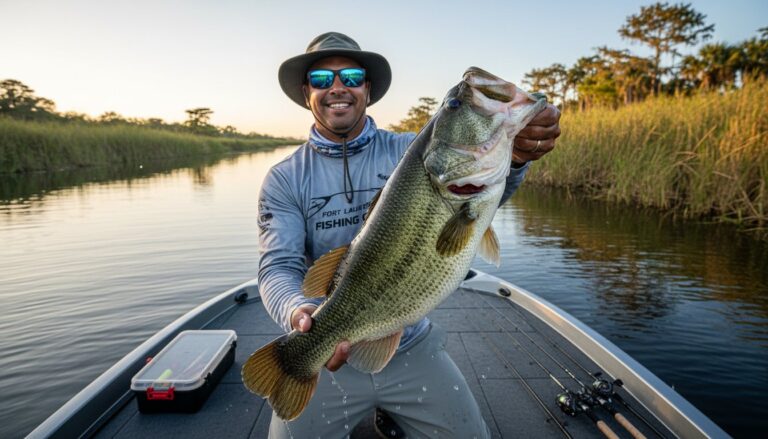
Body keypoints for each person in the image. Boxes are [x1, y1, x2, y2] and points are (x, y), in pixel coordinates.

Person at [257, 32, 560, 439]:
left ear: (367, 87)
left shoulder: (411, 151)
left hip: (411, 343)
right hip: (326, 346)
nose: (337, 88)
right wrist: (299, 313)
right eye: (321, 79)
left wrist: (519, 157)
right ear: (305, 91)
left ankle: (393, 413)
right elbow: (278, 266)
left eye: (350, 75)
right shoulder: (284, 179)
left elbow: (486, 194)